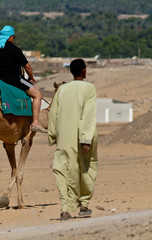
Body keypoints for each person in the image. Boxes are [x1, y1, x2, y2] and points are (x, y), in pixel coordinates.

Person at [48, 59, 98, 220]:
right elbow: (88, 114)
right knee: (85, 169)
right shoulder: (89, 88)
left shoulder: (61, 89)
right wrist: (86, 138)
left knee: (62, 170)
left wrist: (53, 135)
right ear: (84, 71)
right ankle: (83, 204)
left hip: (63, 138)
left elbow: (53, 113)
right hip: (83, 137)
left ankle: (65, 209)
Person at [0, 25, 47, 133]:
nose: (13, 39)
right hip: (14, 79)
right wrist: (31, 77)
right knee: (38, 95)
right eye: (13, 37)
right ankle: (35, 123)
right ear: (10, 37)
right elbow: (27, 66)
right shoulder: (14, 50)